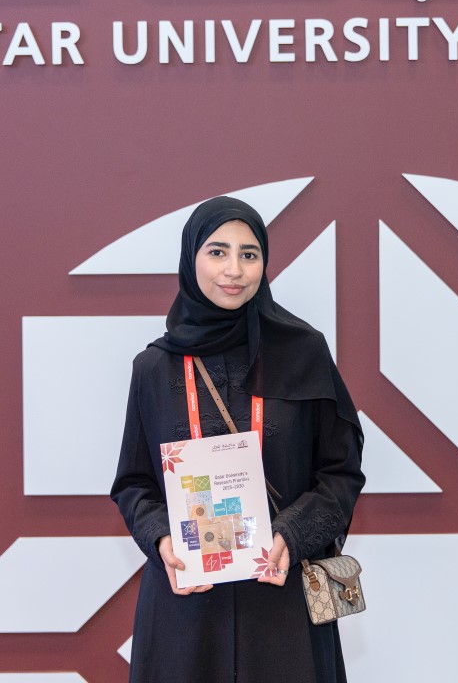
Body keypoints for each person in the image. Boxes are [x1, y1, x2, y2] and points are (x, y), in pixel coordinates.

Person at [111, 195, 365, 683]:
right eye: (217, 252)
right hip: (187, 611)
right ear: (191, 259)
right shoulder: (154, 367)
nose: (234, 270)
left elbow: (341, 473)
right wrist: (162, 538)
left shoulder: (304, 353)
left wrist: (293, 533)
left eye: (249, 254)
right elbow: (133, 483)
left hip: (282, 603)